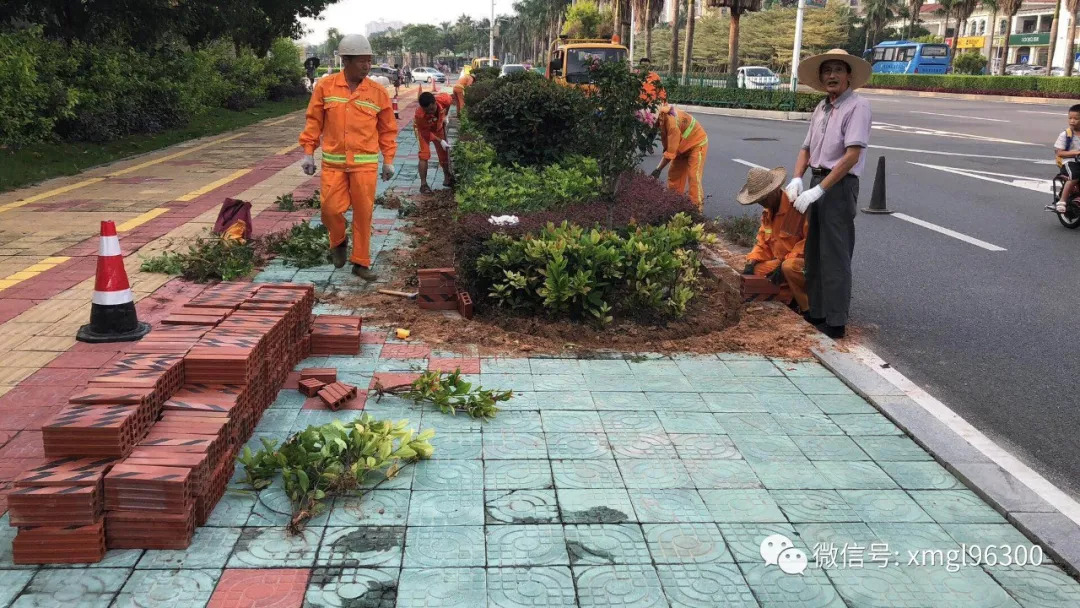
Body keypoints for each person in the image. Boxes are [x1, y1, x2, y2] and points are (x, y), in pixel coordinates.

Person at [785, 48, 872, 339]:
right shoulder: (821, 108)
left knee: (835, 254)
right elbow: (806, 148)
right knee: (814, 252)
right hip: (816, 180)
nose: (831, 75)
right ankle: (817, 312)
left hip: (838, 185)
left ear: (849, 76)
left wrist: (821, 189)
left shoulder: (857, 107)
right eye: (827, 71)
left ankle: (835, 322)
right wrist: (798, 178)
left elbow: (851, 155)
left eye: (838, 70)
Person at [299, 34, 398, 281]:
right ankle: (338, 241)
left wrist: (388, 160)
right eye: (361, 61)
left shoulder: (377, 92)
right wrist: (308, 153)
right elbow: (313, 121)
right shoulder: (326, 87)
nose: (367, 66)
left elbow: (387, 129)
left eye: (369, 61)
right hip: (334, 164)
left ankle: (361, 263)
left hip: (364, 166)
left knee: (364, 214)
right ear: (346, 60)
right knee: (330, 209)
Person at [738, 167, 809, 314]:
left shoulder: (795, 208)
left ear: (775, 191)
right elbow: (763, 243)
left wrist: (784, 263)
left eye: (764, 198)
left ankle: (808, 309)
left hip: (802, 263)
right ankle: (788, 297)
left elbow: (808, 244)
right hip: (781, 263)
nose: (762, 203)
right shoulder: (768, 213)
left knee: (789, 268)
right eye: (759, 200)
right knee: (756, 272)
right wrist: (752, 261)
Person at [651, 104, 708, 211]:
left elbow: (670, 153)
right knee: (674, 175)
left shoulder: (672, 124)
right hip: (682, 146)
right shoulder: (662, 118)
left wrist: (658, 169)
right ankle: (674, 206)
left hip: (697, 143)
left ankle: (696, 210)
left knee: (693, 176)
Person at [414, 91, 455, 193]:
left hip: (438, 127)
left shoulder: (444, 99)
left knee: (444, 154)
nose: (430, 113)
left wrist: (445, 115)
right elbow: (426, 133)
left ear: (434, 102)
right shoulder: (420, 115)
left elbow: (450, 101)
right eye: (427, 111)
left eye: (431, 109)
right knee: (424, 155)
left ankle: (447, 178)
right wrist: (440, 140)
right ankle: (423, 185)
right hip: (423, 130)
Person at [1054, 104, 1080, 213]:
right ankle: (1062, 201)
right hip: (1069, 162)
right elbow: (1059, 153)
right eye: (1070, 118)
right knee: (1075, 175)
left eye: (1076, 118)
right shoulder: (1066, 135)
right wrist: (1076, 153)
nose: (1072, 121)